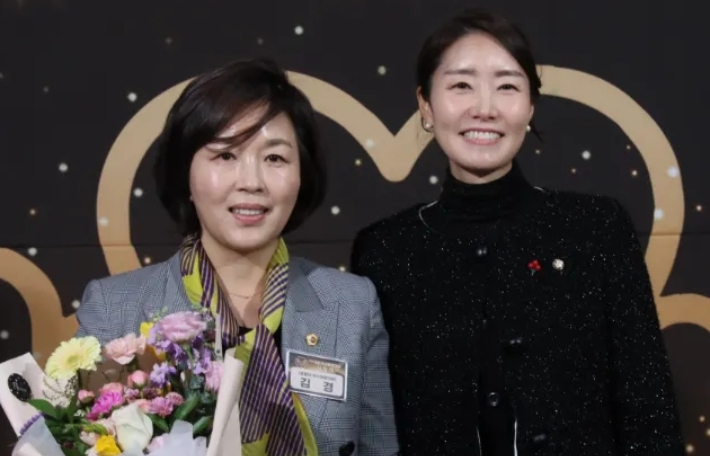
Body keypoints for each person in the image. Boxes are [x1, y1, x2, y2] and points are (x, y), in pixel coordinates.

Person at [350, 7, 685, 456]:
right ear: (426, 105)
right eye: (461, 85)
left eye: (507, 86)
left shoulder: (596, 229)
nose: (484, 108)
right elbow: (375, 426)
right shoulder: (385, 250)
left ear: (530, 106)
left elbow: (649, 411)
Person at [75, 58, 399, 456]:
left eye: (275, 158)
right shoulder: (114, 309)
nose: (251, 182)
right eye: (226, 155)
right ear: (186, 174)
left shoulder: (351, 306)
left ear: (302, 176)